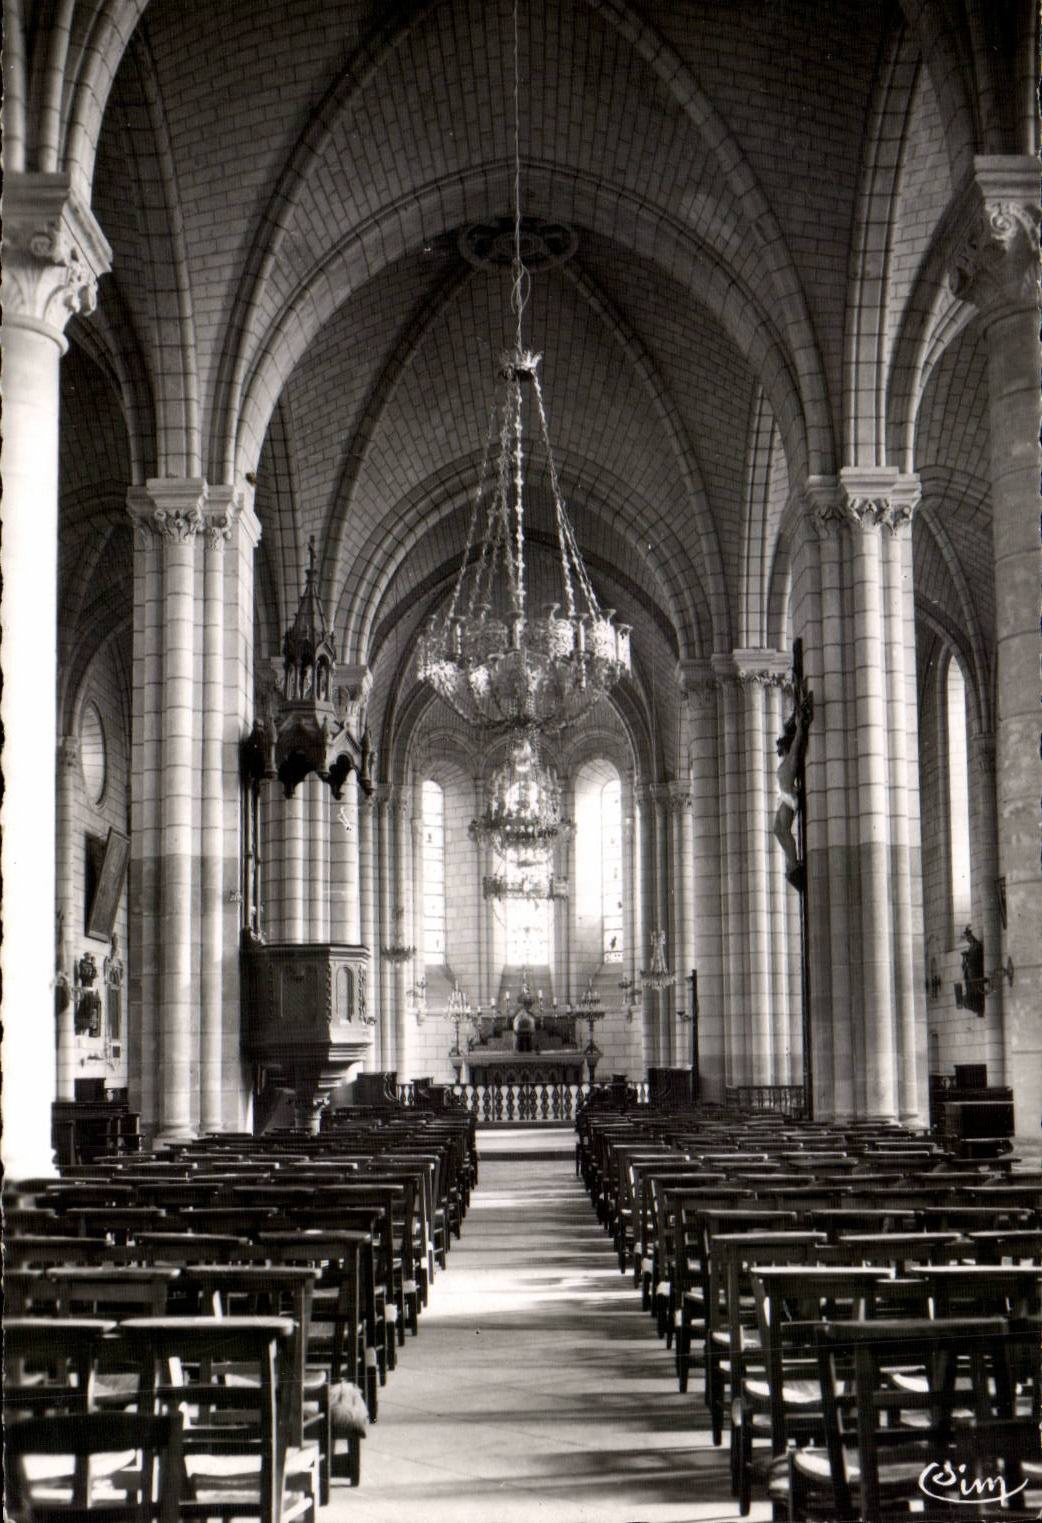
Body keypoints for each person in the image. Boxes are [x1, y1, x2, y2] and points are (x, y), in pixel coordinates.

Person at [773, 690, 812, 890]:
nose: (780, 751)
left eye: (781, 748)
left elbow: (798, 740)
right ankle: (791, 862)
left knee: (782, 829)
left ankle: (794, 862)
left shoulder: (792, 757)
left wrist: (798, 724)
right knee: (777, 830)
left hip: (789, 797)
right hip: (786, 797)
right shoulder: (786, 762)